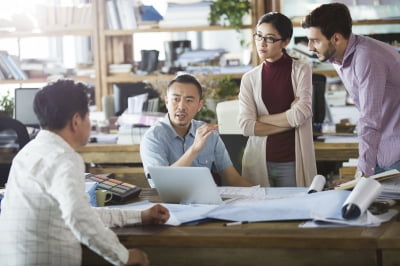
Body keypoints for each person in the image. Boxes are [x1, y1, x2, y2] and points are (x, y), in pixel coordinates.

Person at [0, 79, 170, 266]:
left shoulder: (27, 153)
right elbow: (79, 218)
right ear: (76, 121)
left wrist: (140, 216)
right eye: (88, 116)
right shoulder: (64, 158)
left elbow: (81, 212)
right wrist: (124, 257)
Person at [302, 3, 400, 178]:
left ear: (336, 39)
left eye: (315, 41)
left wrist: (362, 174)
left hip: (394, 153)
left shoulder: (367, 57)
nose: (310, 47)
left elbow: (369, 119)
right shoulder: (338, 57)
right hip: (383, 149)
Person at [238, 12, 317, 187]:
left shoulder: (301, 70)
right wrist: (291, 119)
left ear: (285, 41)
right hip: (258, 160)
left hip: (292, 161)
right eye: (259, 36)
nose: (262, 43)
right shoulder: (249, 79)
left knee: (293, 213)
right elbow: (246, 126)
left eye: (270, 38)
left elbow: (302, 113)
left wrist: (262, 120)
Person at [140, 73, 253, 187]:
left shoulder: (209, 134)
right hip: (169, 203)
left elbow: (233, 179)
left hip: (206, 202)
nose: (181, 106)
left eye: (189, 100)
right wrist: (194, 149)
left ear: (199, 105)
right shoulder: (153, 137)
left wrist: (262, 195)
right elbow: (161, 183)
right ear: (167, 102)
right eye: (176, 99)